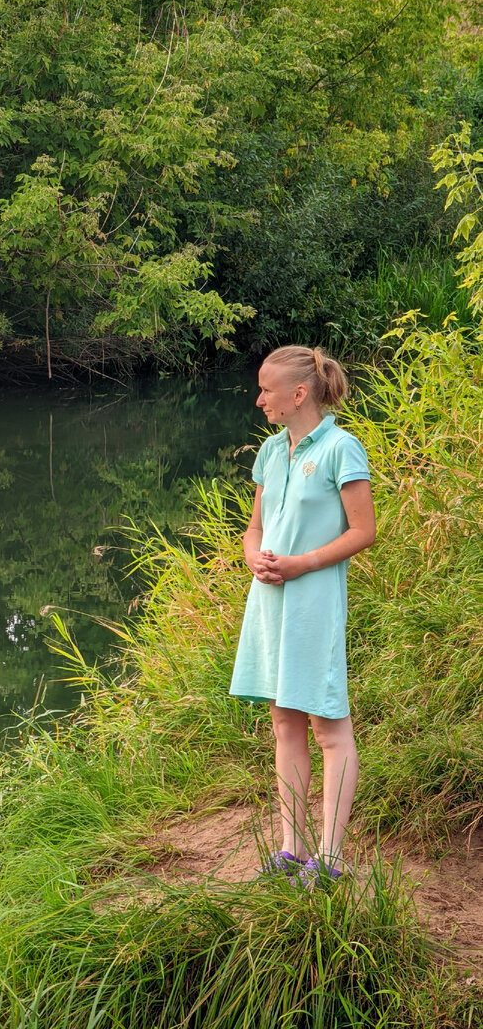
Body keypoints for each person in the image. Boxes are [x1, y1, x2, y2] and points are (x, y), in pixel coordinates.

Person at [229, 345, 376, 883]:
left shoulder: (342, 448)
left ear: (298, 395)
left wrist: (301, 565)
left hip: (313, 602)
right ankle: (291, 850)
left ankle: (331, 860)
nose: (259, 398)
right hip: (269, 599)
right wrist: (254, 557)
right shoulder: (270, 450)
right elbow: (256, 528)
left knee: (330, 729)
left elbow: (364, 532)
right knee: (284, 720)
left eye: (267, 389)